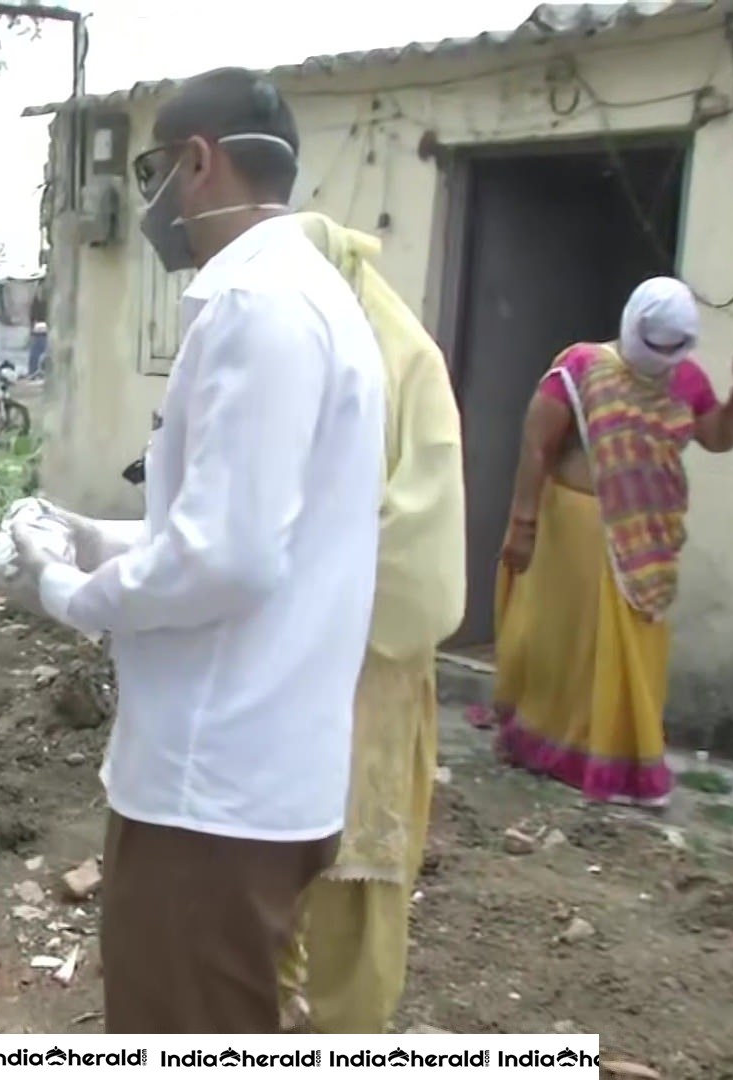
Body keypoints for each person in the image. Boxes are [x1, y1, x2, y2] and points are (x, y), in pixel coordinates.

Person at [11, 68, 385, 1034]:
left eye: (151, 173)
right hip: (252, 770)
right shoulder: (310, 299)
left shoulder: (253, 306)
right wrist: (100, 536)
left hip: (212, 782)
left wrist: (66, 592)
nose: (149, 204)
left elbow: (226, 560)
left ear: (196, 163)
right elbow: (252, 529)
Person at [274, 212, 466, 1034]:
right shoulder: (283, 347)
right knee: (270, 870)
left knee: (355, 879)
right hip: (282, 664)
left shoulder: (405, 364)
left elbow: (415, 541)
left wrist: (300, 580)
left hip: (367, 670)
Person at [479, 277, 733, 809]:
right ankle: (554, 748)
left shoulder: (687, 380)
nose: (659, 359)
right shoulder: (583, 367)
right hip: (576, 530)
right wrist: (522, 525)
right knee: (571, 645)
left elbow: (718, 438)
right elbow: (537, 444)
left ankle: (617, 759)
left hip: (648, 540)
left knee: (631, 652)